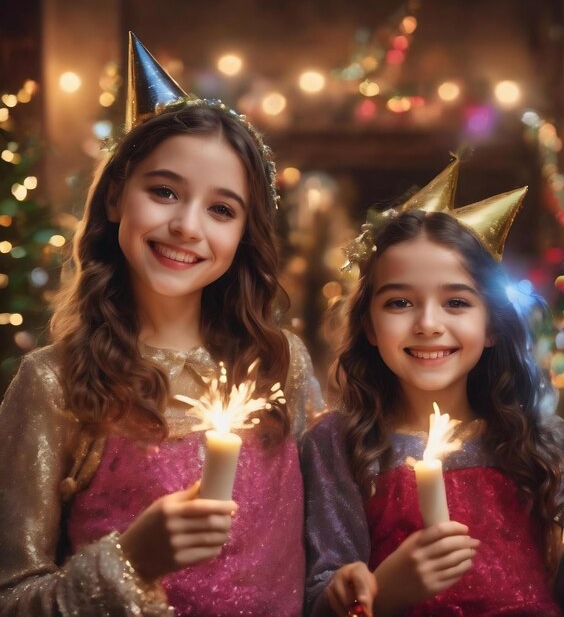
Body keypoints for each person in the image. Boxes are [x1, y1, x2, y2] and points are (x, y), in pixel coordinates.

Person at [0, 34, 323, 617]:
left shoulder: (282, 364)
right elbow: (14, 597)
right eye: (165, 191)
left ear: (244, 234)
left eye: (221, 209)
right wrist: (132, 561)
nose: (186, 226)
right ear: (117, 196)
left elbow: (322, 552)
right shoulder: (52, 385)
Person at [301, 158, 564, 617]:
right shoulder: (339, 444)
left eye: (456, 301)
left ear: (491, 324)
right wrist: (382, 589)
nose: (429, 324)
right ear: (369, 325)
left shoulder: (535, 439)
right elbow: (320, 592)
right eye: (399, 302)